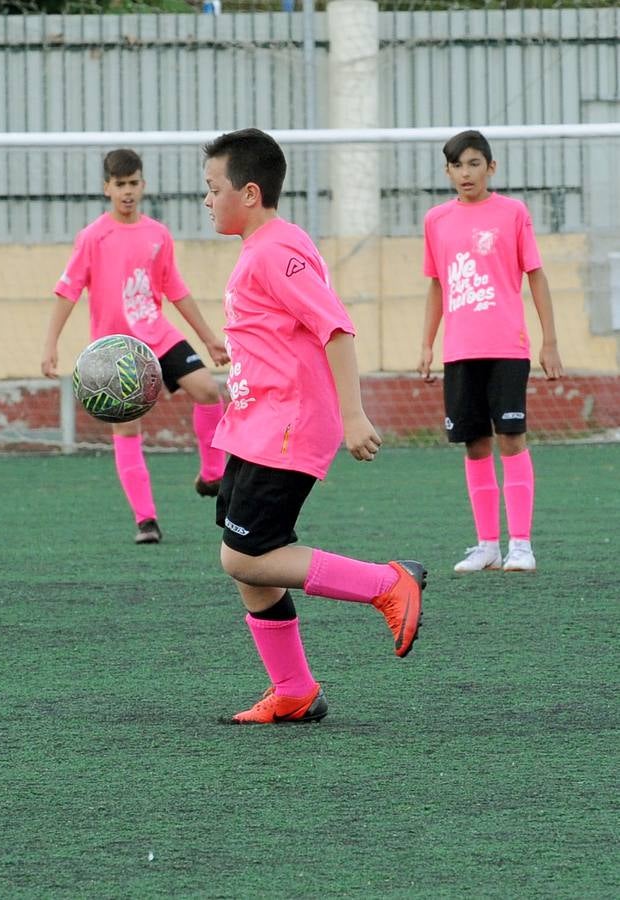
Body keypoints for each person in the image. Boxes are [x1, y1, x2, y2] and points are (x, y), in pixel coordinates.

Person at [202, 128, 426, 724]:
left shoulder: (277, 250)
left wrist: (354, 415)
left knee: (247, 558)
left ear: (249, 192)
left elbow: (336, 327)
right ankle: (296, 690)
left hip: (286, 426)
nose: (206, 199)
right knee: (242, 554)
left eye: (212, 187)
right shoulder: (265, 246)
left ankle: (387, 582)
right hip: (252, 425)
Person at [42, 148, 230, 545]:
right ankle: (146, 520)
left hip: (157, 335)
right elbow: (67, 291)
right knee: (128, 429)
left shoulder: (157, 234)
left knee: (208, 390)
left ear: (142, 185)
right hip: (116, 352)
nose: (127, 192)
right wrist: (51, 345)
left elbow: (174, 289)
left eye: (133, 184)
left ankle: (212, 475)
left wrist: (210, 338)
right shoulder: (93, 237)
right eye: (119, 185)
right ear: (106, 188)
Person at [418, 129, 563, 574]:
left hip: (507, 346)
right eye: (457, 165)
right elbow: (438, 285)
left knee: (511, 438)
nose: (466, 173)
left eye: (474, 163)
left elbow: (535, 275)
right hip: (460, 351)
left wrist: (550, 340)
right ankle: (487, 545)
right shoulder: (436, 221)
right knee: (474, 445)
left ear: (491, 167)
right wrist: (426, 344)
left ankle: (521, 544)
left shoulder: (513, 213)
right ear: (447, 171)